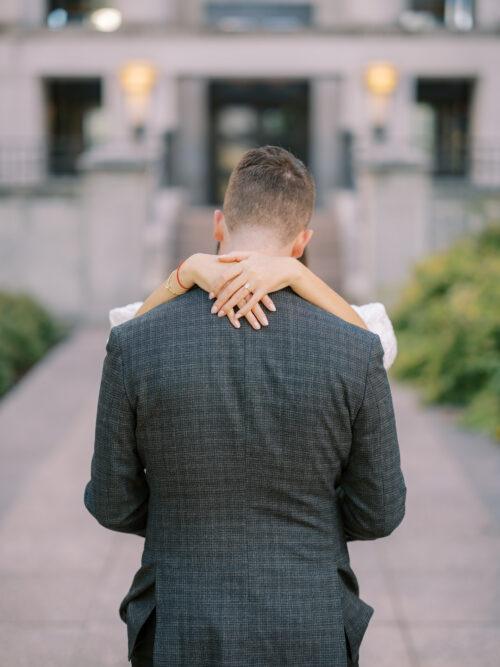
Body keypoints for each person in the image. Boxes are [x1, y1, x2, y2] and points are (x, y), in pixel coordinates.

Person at [84, 145, 406, 667]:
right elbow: (379, 511)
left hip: (178, 622)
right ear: (303, 241)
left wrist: (186, 516)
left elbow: (113, 502)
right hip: (310, 621)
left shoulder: (136, 342)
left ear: (218, 224)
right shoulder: (356, 348)